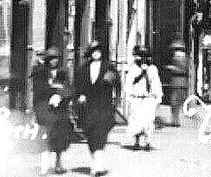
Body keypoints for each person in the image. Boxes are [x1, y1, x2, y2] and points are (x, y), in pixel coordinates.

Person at [74, 41, 117, 175]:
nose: (96, 53)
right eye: (93, 51)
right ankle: (96, 163)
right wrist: (80, 95)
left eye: (98, 50)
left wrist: (112, 80)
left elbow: (116, 82)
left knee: (100, 134)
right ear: (90, 53)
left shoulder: (108, 67)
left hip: (103, 106)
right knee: (90, 135)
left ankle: (98, 166)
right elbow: (78, 84)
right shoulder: (83, 68)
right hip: (88, 107)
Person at [31, 47, 71, 175]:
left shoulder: (63, 73)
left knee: (59, 137)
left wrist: (61, 95)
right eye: (51, 59)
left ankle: (58, 163)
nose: (54, 61)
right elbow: (38, 90)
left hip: (60, 111)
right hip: (45, 109)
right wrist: (53, 92)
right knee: (44, 136)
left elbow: (69, 89)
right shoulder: (40, 72)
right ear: (47, 60)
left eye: (56, 59)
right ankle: (44, 165)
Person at [125, 46, 162, 150]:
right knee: (136, 119)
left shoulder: (153, 69)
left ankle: (147, 141)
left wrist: (157, 96)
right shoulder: (133, 69)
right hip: (136, 97)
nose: (142, 59)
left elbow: (156, 83)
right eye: (140, 56)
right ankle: (136, 140)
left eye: (145, 56)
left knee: (148, 120)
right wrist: (129, 95)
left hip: (148, 98)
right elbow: (129, 83)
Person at [165, 42, 190, 127]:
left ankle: (175, 120)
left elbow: (182, 70)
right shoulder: (183, 57)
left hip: (178, 82)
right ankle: (175, 120)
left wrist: (172, 68)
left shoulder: (179, 57)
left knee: (175, 102)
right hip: (179, 82)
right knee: (176, 103)